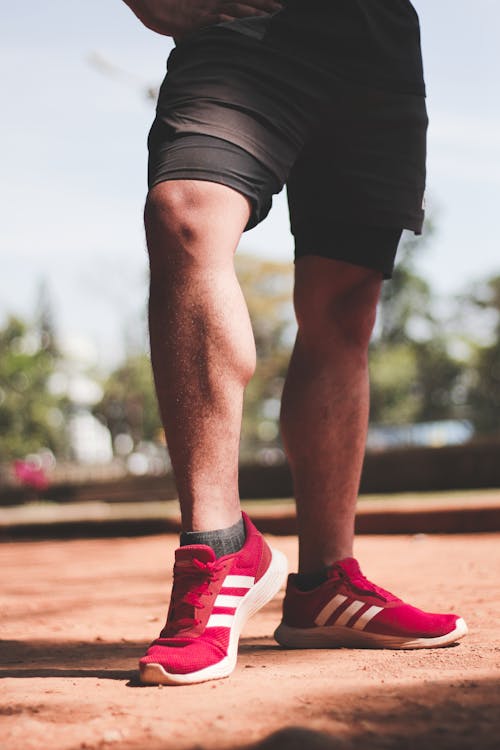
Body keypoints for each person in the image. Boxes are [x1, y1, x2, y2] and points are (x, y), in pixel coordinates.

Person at [121, 0, 467, 685]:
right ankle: (218, 549)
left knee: (344, 301)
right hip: (241, 29)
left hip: (377, 38)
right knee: (185, 211)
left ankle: (324, 588)